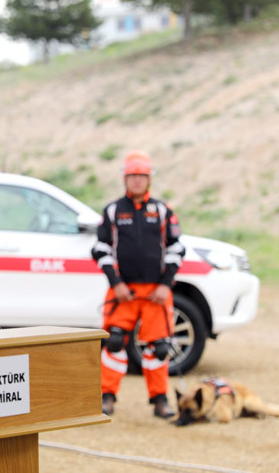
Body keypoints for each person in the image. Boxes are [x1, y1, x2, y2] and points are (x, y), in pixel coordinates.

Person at [91, 150, 184, 419]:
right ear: (125, 178)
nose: (136, 180)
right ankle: (107, 396)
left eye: (141, 176)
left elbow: (176, 249)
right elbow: (100, 249)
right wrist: (116, 283)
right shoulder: (113, 211)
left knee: (160, 347)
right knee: (114, 342)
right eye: (132, 176)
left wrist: (165, 285)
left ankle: (160, 400)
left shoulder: (163, 211)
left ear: (149, 179)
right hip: (123, 292)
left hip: (156, 292)